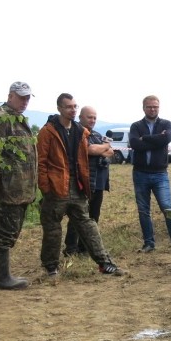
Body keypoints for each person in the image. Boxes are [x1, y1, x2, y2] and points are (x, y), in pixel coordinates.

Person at [37, 93, 124, 277]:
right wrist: (45, 187)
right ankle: (51, 267)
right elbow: (41, 162)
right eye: (69, 107)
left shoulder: (80, 131)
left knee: (87, 225)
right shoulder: (48, 131)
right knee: (52, 228)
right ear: (59, 108)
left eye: (75, 106)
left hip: (77, 187)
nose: (73, 110)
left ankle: (104, 263)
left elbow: (89, 153)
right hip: (56, 188)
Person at [0, 81, 38, 290]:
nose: (24, 101)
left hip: (21, 188)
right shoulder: (2, 117)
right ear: (10, 96)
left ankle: (3, 276)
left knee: (11, 231)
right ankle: (2, 278)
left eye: (27, 98)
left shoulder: (18, 118)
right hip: (10, 188)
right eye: (21, 97)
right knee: (5, 233)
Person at [129, 95, 171, 254]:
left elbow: (166, 139)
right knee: (143, 210)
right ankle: (149, 243)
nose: (152, 109)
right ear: (144, 108)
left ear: (159, 107)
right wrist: (157, 139)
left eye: (155, 106)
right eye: (149, 107)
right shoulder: (135, 126)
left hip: (160, 174)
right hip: (140, 173)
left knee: (167, 208)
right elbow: (135, 144)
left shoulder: (166, 124)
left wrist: (146, 139)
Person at [64, 105, 114, 256]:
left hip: (98, 183)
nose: (92, 120)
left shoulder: (97, 135)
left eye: (94, 117)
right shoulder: (76, 133)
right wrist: (104, 147)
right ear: (80, 117)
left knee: (93, 216)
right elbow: (90, 150)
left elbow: (111, 152)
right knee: (77, 216)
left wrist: (102, 148)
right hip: (83, 182)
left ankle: (85, 248)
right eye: (89, 117)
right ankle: (71, 248)